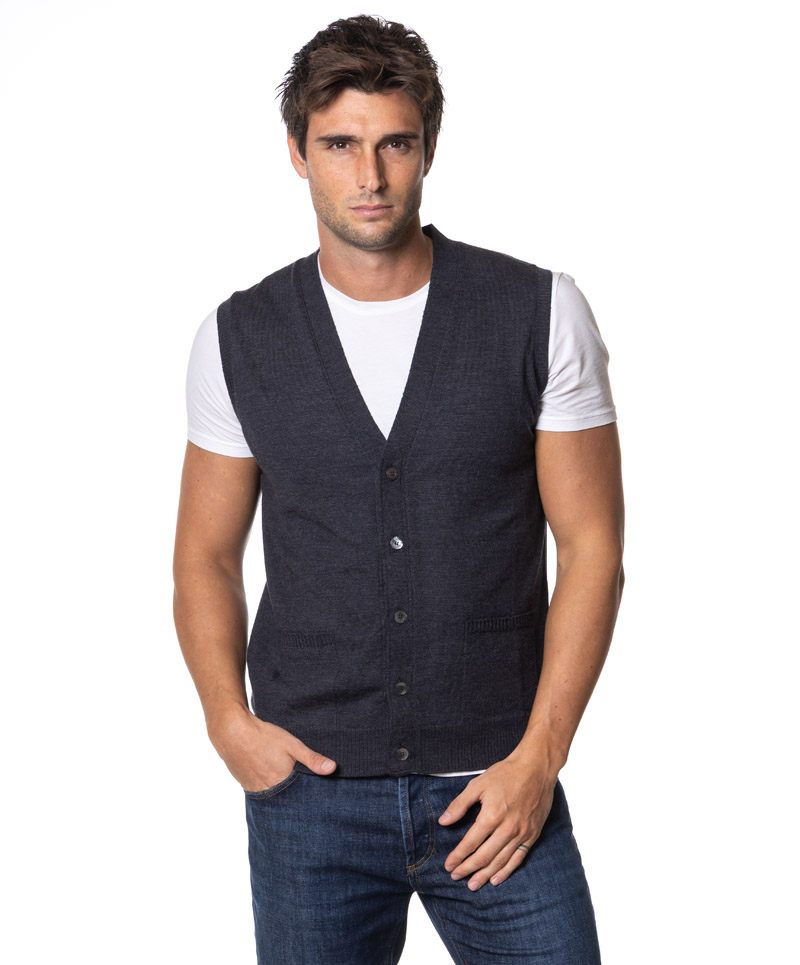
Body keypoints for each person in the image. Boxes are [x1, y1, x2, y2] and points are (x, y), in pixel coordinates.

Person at [172, 14, 624, 964]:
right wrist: (227, 722)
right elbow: (205, 555)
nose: (370, 176)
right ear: (297, 152)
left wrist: (540, 758)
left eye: (395, 144)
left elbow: (593, 548)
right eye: (340, 144)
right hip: (311, 796)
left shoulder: (540, 312)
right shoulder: (239, 336)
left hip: (498, 787)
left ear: (430, 148)